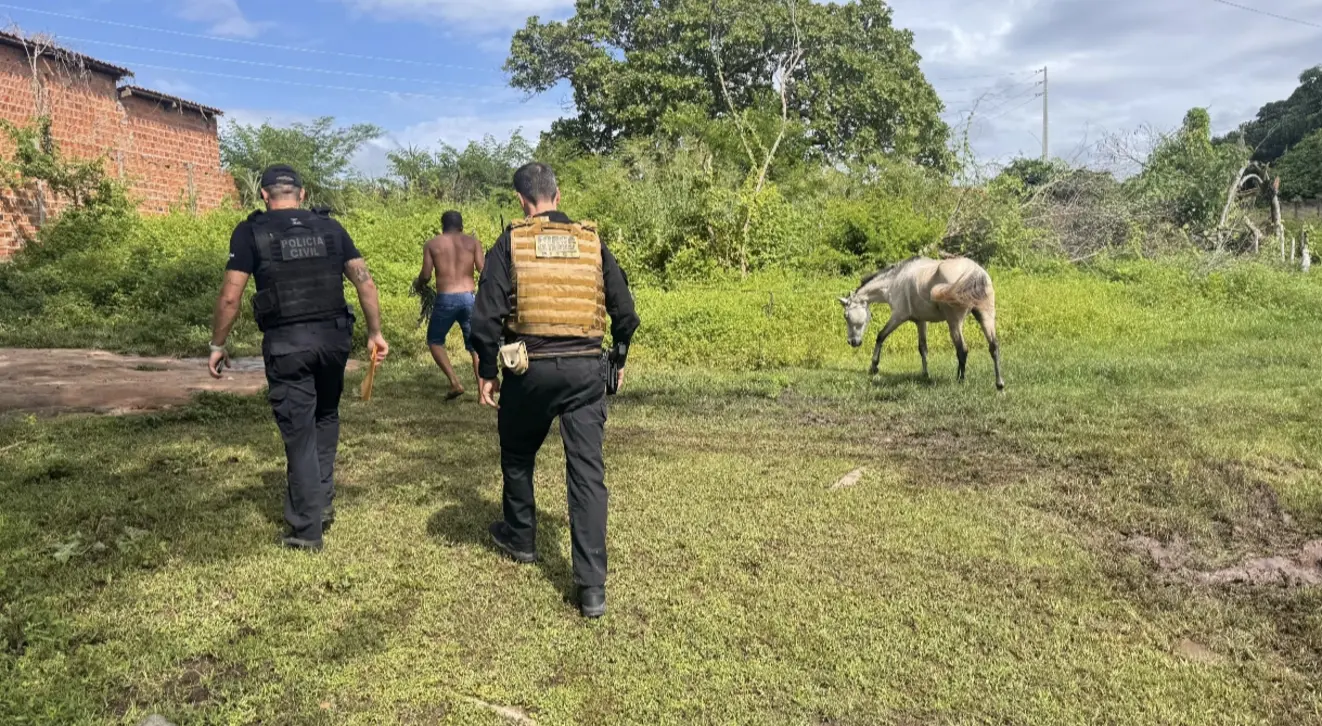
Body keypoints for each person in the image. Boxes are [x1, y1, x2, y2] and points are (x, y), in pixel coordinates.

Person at [471, 162, 640, 619]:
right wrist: (617, 361)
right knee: (587, 473)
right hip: (587, 370)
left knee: (518, 451)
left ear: (523, 202)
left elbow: (484, 316)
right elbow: (625, 313)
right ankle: (592, 589)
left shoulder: (512, 241)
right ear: (558, 195)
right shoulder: (592, 242)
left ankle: (521, 536)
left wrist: (487, 369)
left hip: (531, 371)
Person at [207, 164, 389, 552]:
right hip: (333, 341)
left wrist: (217, 344)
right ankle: (320, 505)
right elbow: (364, 282)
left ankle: (307, 529)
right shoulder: (331, 229)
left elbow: (229, 296)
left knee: (300, 430)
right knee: (325, 416)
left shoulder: (251, 231)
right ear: (302, 195)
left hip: (288, 346)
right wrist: (375, 333)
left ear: (264, 195)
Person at [417, 210, 484, 399]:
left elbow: (426, 275)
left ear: (443, 227)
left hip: (445, 298)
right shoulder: (473, 243)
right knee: (475, 346)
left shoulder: (432, 244)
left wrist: (419, 284)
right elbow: (483, 271)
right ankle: (482, 394)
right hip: (469, 298)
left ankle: (455, 382)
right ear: (461, 226)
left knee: (435, 341)